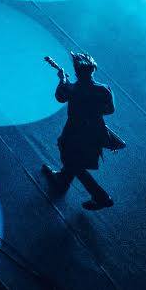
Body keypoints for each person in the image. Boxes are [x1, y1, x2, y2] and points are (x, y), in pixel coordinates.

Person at [41, 53, 116, 210]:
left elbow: (60, 97)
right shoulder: (104, 89)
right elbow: (110, 110)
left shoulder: (73, 88)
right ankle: (62, 179)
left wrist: (62, 78)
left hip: (74, 131)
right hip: (95, 132)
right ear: (92, 70)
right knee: (75, 159)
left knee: (71, 159)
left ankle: (100, 196)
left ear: (76, 71)